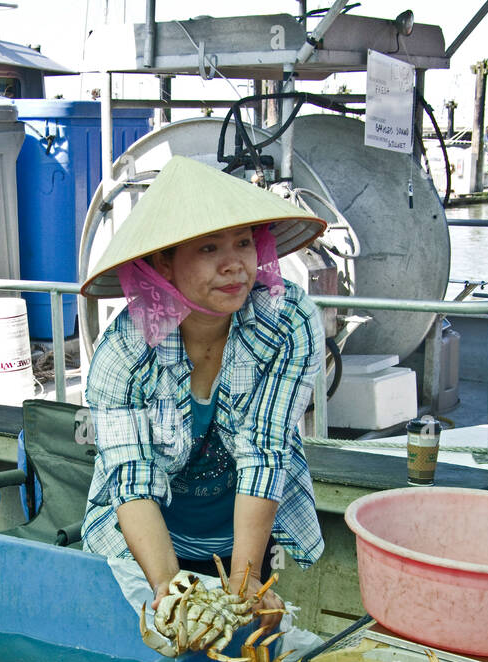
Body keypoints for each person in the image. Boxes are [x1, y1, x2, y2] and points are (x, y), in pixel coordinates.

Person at [79, 156, 328, 634]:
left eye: (243, 242)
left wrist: (246, 581)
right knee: (172, 638)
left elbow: (265, 450)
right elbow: (131, 478)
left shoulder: (289, 322)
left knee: (250, 647)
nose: (234, 263)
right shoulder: (123, 351)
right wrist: (172, 594)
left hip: (247, 537)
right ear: (163, 262)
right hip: (148, 544)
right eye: (209, 247)